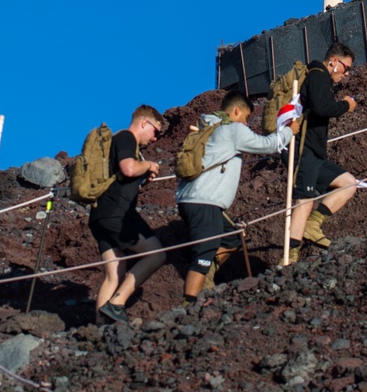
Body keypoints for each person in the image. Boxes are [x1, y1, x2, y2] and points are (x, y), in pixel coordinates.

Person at [176, 90, 294, 303]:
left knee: (232, 238)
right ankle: (189, 303)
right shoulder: (232, 130)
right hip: (205, 201)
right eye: (246, 118)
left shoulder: (208, 127)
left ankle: (207, 276)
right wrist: (288, 132)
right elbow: (267, 145)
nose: (246, 123)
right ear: (237, 110)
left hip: (190, 199)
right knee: (204, 253)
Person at [90, 105, 166, 324]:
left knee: (115, 273)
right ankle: (117, 303)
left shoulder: (119, 143)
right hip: (117, 215)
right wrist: (149, 164)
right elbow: (129, 169)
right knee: (157, 254)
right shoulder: (126, 138)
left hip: (99, 216)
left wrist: (141, 179)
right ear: (144, 123)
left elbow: (125, 177)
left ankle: (99, 329)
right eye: (155, 132)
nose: (155, 139)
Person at [288, 42, 358, 260]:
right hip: (303, 148)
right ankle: (289, 257)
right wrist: (346, 105)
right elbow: (323, 108)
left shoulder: (320, 79)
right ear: (334, 62)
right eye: (346, 68)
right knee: (304, 200)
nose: (346, 74)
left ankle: (313, 225)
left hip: (315, 152)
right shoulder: (318, 76)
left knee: (348, 183)